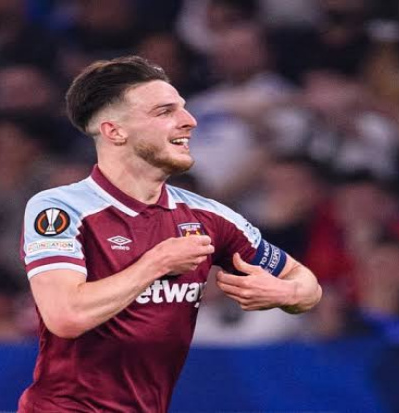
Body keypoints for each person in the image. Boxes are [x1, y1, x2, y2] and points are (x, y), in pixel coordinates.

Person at [18, 56, 322, 412]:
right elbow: (66, 316)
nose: (189, 121)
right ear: (115, 131)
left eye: (183, 108)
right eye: (165, 111)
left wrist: (286, 292)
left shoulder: (209, 216)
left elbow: (306, 284)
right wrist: (157, 263)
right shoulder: (60, 207)